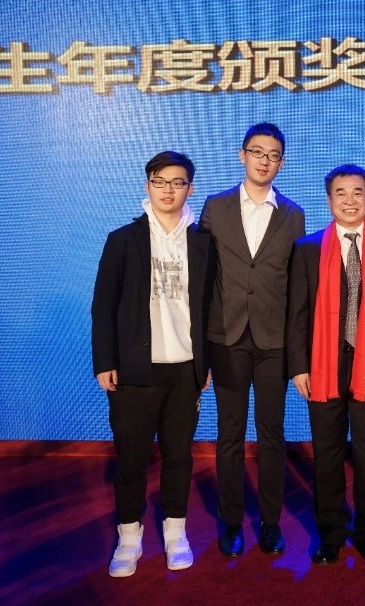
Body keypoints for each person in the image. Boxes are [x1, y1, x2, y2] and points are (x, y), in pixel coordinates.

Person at [92, 151, 215, 577]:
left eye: (177, 182)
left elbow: (211, 307)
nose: (168, 190)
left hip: (185, 368)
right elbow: (103, 306)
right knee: (131, 458)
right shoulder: (122, 240)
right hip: (134, 371)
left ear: (189, 189)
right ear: (147, 186)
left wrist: (206, 363)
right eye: (160, 181)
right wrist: (105, 361)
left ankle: (175, 533)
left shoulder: (203, 242)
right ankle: (129, 537)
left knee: (179, 456)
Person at [287, 164, 365, 565]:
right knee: (326, 455)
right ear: (329, 200)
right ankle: (331, 535)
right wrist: (298, 366)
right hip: (322, 366)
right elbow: (297, 314)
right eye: (341, 193)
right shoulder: (307, 249)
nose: (349, 200)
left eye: (357, 192)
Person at [199, 123, 305, 556]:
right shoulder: (215, 206)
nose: (265, 160)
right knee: (229, 433)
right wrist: (198, 353)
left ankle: (270, 521)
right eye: (257, 152)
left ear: (282, 162)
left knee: (272, 433)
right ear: (242, 155)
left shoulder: (293, 214)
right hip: (225, 337)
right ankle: (230, 522)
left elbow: (296, 286)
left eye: (273, 155)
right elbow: (203, 278)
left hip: (273, 341)